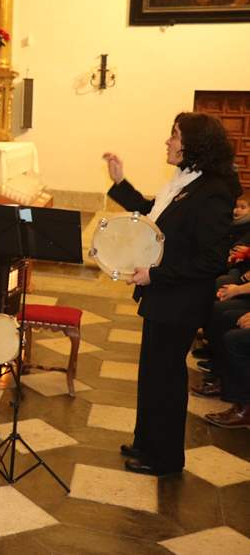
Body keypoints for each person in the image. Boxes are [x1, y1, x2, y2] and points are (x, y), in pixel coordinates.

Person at [103, 111, 236, 476]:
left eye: (174, 135)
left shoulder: (213, 192)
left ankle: (165, 459)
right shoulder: (184, 182)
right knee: (151, 374)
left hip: (180, 299)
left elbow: (211, 260)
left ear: (193, 144)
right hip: (165, 296)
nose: (168, 141)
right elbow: (153, 218)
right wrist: (120, 183)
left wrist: (156, 275)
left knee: (166, 379)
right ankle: (147, 442)